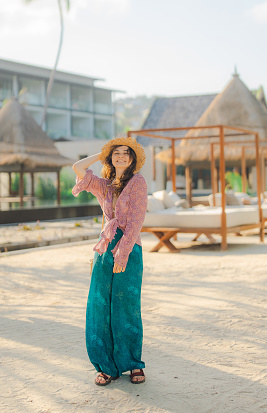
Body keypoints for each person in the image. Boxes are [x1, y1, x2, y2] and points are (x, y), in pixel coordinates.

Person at [72, 137, 148, 386]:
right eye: (117, 153)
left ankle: (133, 364)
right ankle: (105, 366)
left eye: (126, 153)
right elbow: (78, 168)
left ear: (132, 158)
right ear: (110, 157)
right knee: (99, 305)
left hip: (128, 248)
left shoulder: (138, 183)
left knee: (126, 307)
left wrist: (123, 253)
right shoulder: (104, 185)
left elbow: (136, 222)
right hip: (104, 248)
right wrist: (102, 152)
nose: (122, 156)